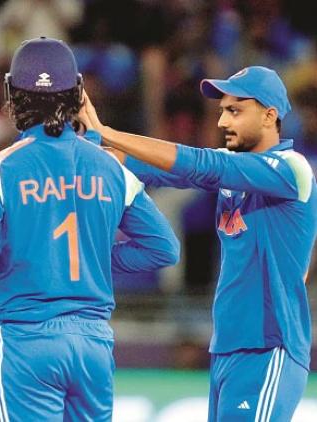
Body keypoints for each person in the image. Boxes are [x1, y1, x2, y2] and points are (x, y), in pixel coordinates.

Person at [0, 36, 180, 421]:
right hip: (92, 343)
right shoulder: (110, 167)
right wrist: (96, 257)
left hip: (23, 339)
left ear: (12, 95)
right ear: (76, 94)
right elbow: (164, 248)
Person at [86, 66, 317, 421]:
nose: (223, 121)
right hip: (228, 347)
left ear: (271, 115)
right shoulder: (235, 170)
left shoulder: (292, 168)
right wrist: (93, 148)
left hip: (270, 345)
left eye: (235, 110)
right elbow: (161, 169)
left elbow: (201, 165)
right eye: (222, 111)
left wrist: (111, 133)